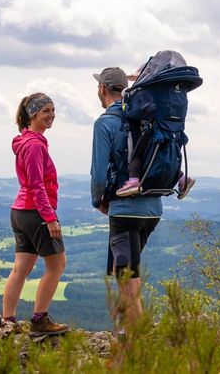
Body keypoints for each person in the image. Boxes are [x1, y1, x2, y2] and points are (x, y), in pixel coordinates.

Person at [90, 67, 163, 333]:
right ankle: (127, 330)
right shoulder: (146, 117)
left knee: (126, 276)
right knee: (128, 273)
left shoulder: (105, 123)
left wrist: (98, 201)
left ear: (102, 89)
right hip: (153, 209)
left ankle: (138, 338)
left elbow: (98, 175)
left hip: (124, 210)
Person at [0, 92, 69, 336]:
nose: (51, 115)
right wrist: (49, 217)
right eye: (45, 111)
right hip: (35, 212)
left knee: (21, 268)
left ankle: (7, 320)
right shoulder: (35, 146)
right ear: (33, 114)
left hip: (21, 211)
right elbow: (37, 185)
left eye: (52, 110)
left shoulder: (27, 142)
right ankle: (39, 320)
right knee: (57, 264)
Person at [113, 61, 196, 199]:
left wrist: (126, 93)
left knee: (138, 154)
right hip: (173, 131)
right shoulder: (173, 93)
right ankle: (182, 178)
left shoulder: (147, 92)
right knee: (165, 154)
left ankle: (133, 181)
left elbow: (131, 105)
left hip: (153, 130)